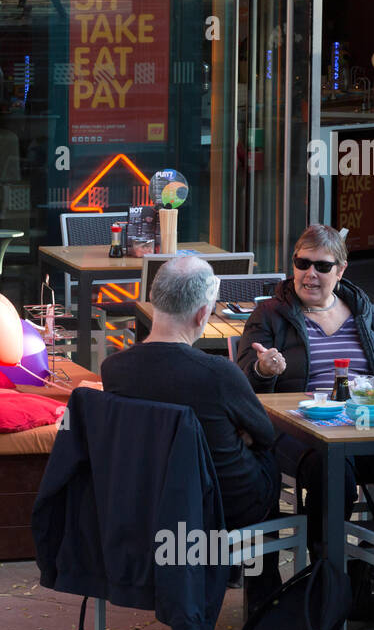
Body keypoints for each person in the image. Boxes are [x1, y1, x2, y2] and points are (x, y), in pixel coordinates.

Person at [102, 256, 283, 606]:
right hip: (220, 506)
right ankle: (262, 606)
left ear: (154, 300)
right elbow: (265, 435)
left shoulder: (115, 370)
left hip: (143, 500)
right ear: (203, 314)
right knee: (268, 471)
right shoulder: (218, 373)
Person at [235, 225, 374, 556]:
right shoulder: (269, 316)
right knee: (334, 476)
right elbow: (245, 384)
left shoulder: (369, 315)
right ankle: (326, 572)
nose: (310, 274)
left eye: (322, 266)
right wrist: (264, 370)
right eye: (302, 263)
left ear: (341, 270)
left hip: (365, 430)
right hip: (297, 432)